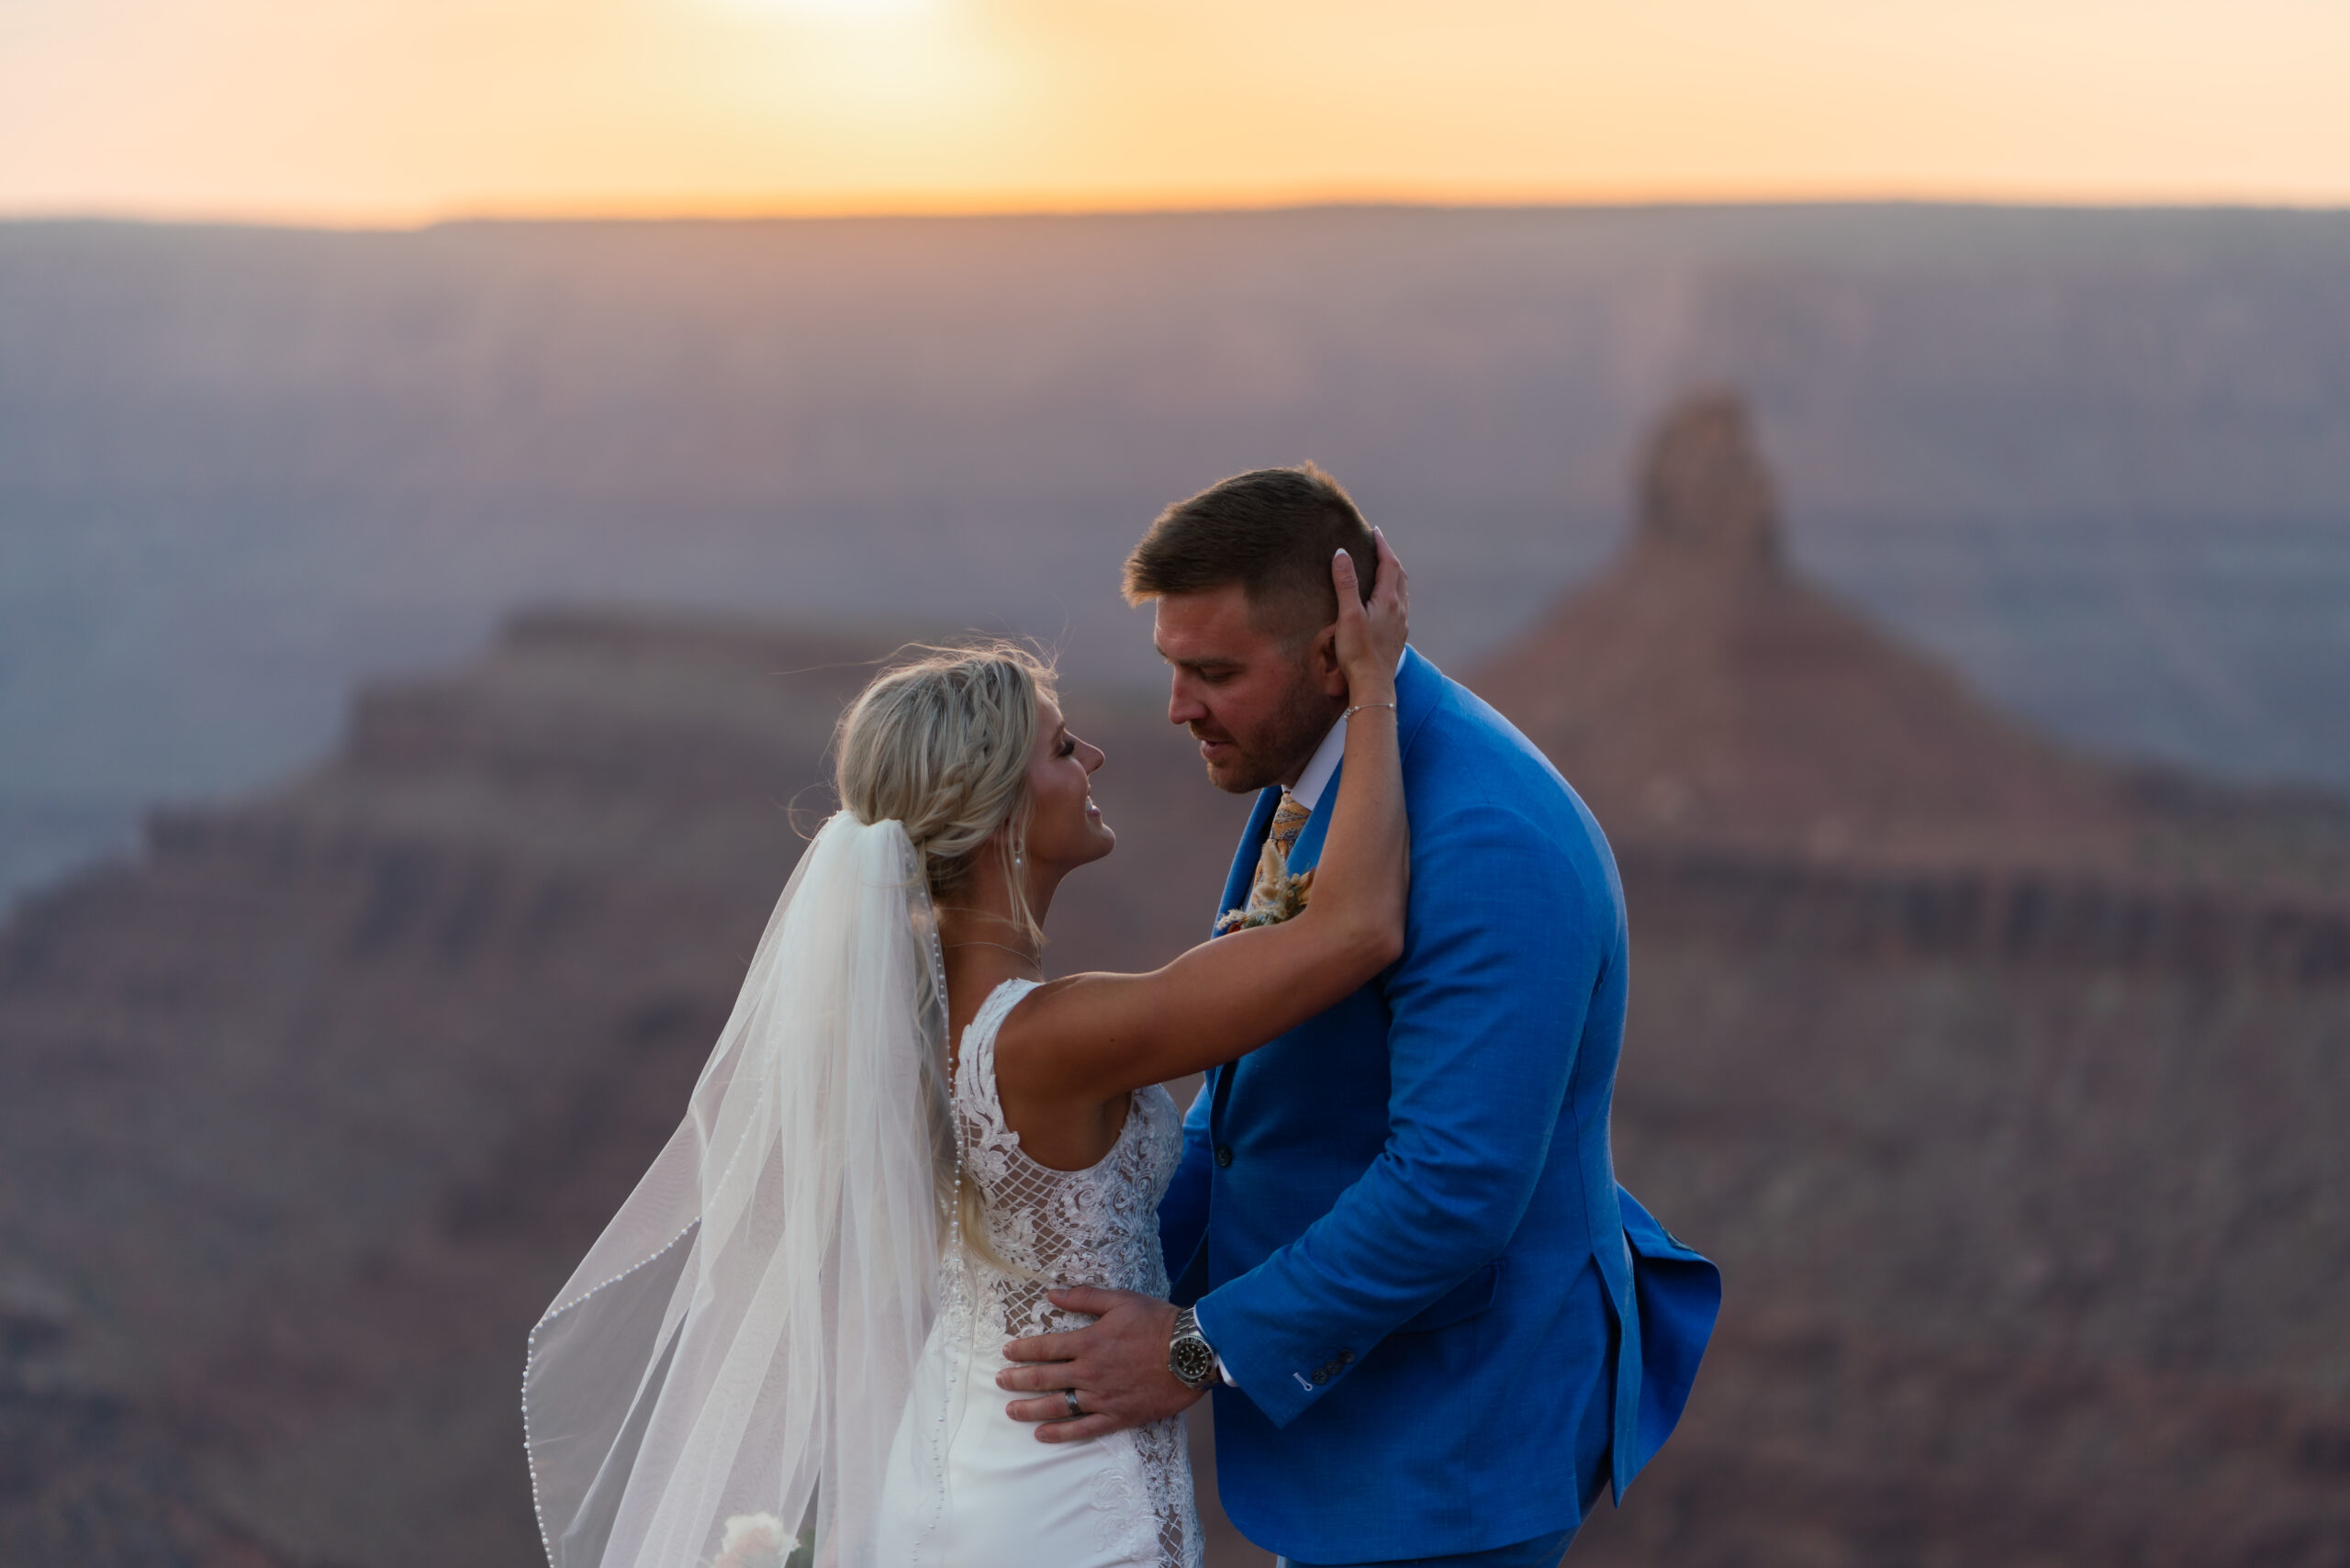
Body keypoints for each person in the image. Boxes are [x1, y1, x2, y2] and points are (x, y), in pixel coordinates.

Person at [521, 534, 1411, 1568]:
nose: (1096, 760)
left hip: (968, 1458)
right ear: (998, 815)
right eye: (1062, 749)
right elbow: (1358, 932)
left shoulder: (925, 1017)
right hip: (1058, 1500)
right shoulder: (1050, 1036)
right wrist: (1372, 691)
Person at [993, 465, 1721, 1568]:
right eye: (1172, 667)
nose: (1177, 707)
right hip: (1360, 1422)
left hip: (1448, 1441)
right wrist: (1104, 1295)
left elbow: (1452, 1188)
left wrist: (1190, 1349)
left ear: (1334, 653)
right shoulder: (1321, 768)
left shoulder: (1487, 844)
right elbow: (1249, 1108)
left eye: (1214, 673)